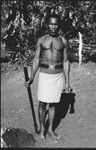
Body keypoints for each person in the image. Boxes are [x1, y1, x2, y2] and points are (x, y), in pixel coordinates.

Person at [25, 13, 71, 142]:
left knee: (53, 104)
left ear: (59, 25)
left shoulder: (63, 41)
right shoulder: (41, 40)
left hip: (57, 75)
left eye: (56, 24)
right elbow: (36, 59)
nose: (53, 26)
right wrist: (32, 76)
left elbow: (66, 61)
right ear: (47, 24)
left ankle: (50, 129)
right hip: (45, 74)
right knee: (42, 103)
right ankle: (42, 130)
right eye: (51, 24)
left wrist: (67, 82)